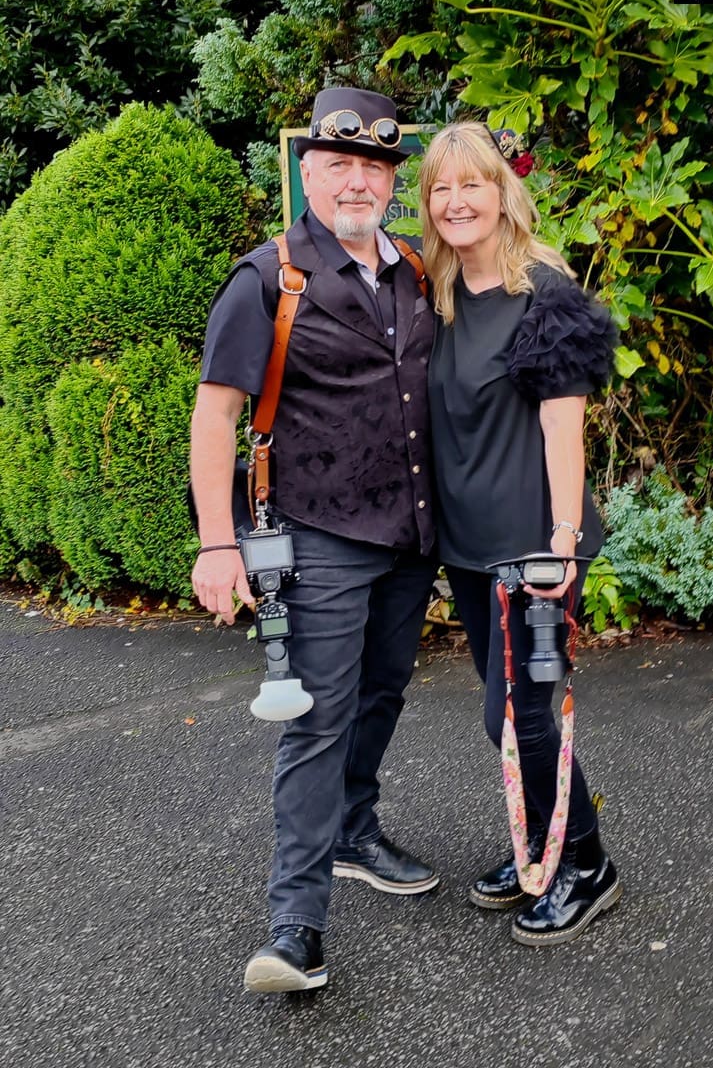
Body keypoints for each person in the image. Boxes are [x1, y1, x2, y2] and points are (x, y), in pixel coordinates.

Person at [190, 87, 438, 993]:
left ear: (388, 181)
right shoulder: (268, 279)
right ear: (306, 172)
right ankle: (295, 928)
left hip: (411, 533)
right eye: (339, 163)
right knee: (315, 720)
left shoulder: (414, 268)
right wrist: (219, 544)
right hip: (320, 531)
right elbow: (215, 417)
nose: (357, 180)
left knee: (384, 691)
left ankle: (353, 829)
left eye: (373, 165)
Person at [420, 122, 620, 946]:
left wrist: (563, 542)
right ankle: (542, 838)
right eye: (441, 187)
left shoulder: (546, 293)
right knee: (504, 714)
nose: (458, 201)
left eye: (474, 184)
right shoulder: (433, 292)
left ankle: (586, 861)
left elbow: (563, 432)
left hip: (535, 542)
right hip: (468, 545)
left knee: (524, 715)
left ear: (505, 193)